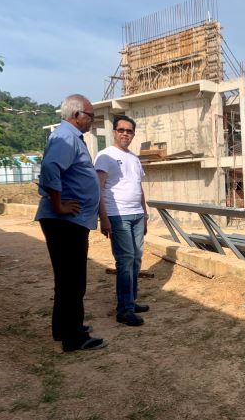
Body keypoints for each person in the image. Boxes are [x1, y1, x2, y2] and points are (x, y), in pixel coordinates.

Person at [35, 94, 107, 352]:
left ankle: (63, 328)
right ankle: (73, 338)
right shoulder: (65, 137)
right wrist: (59, 205)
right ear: (77, 115)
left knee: (66, 279)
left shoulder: (69, 137)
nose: (92, 120)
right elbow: (50, 168)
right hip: (65, 220)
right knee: (73, 281)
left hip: (69, 221)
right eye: (90, 116)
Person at [94, 115, 150, 327]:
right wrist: (103, 218)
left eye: (129, 131)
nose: (125, 133)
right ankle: (124, 310)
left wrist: (144, 215)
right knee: (125, 261)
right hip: (117, 215)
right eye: (121, 130)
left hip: (137, 215)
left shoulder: (134, 158)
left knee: (136, 259)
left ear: (133, 134)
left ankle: (130, 301)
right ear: (114, 132)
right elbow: (98, 188)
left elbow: (138, 188)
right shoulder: (105, 156)